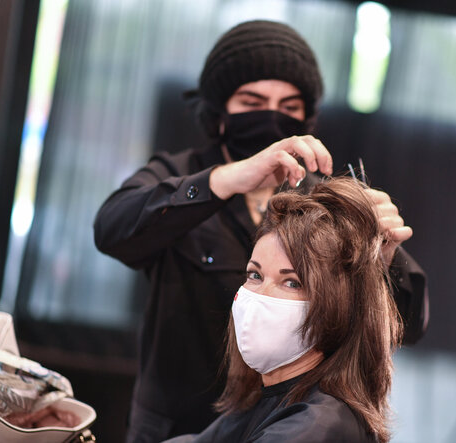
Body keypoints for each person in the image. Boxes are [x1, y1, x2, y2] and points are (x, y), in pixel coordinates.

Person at [94, 19, 429, 441]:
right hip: (179, 426)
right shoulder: (180, 176)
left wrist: (382, 260)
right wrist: (228, 178)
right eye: (252, 100)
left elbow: (409, 325)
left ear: (306, 118)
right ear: (218, 114)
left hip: (278, 422)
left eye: (288, 107)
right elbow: (112, 229)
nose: (272, 115)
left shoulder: (319, 207)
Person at [164, 177, 402, 443]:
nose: (260, 296)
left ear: (338, 305)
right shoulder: (270, 397)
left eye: (291, 282)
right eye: (255, 275)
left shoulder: (318, 426)